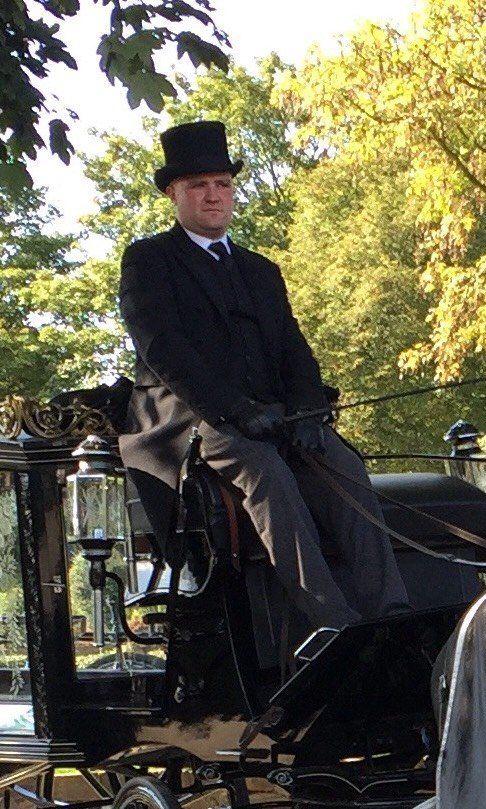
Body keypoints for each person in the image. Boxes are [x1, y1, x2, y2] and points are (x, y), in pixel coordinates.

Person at [117, 120, 409, 639]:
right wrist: (236, 410)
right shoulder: (149, 261)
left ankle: (392, 618)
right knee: (267, 474)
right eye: (199, 186)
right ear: (173, 194)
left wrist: (308, 412)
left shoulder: (261, 270)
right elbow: (163, 350)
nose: (214, 196)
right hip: (193, 419)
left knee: (342, 466)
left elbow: (293, 347)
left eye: (222, 185)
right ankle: (332, 627)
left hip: (274, 416)